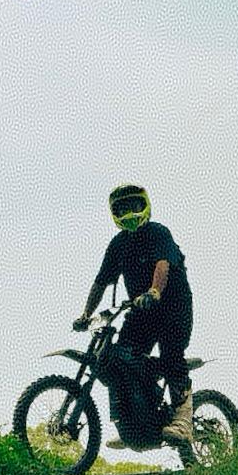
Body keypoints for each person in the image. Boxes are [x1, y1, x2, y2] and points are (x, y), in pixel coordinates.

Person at [73, 184, 194, 445]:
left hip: (173, 307)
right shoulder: (118, 245)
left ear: (144, 206)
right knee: (119, 358)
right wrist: (85, 314)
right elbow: (101, 282)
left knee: (172, 355)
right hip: (141, 310)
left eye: (134, 206)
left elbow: (162, 265)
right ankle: (132, 423)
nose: (129, 213)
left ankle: (183, 420)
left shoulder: (158, 233)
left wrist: (154, 291)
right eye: (123, 208)